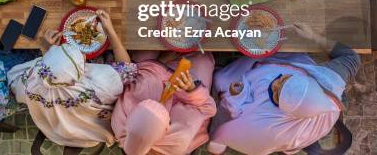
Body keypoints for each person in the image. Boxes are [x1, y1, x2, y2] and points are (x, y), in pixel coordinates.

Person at [208, 23, 360, 155]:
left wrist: (237, 95)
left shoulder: (263, 127)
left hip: (261, 125)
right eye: (285, 79)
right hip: (285, 64)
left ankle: (219, 142)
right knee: (281, 47)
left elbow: (235, 114)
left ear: (285, 111)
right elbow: (350, 57)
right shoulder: (328, 81)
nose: (274, 84)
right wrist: (314, 36)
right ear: (309, 80)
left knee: (220, 82)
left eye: (276, 94)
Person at [7, 10, 136, 148]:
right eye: (82, 58)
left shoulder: (30, 80)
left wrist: (46, 50)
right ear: (77, 77)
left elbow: (18, 88)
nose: (84, 56)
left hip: (57, 131)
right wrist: (110, 30)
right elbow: (128, 71)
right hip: (89, 133)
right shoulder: (98, 87)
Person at [112, 51, 216, 155]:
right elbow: (205, 107)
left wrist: (160, 61)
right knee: (201, 58)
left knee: (143, 51)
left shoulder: (120, 128)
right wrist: (192, 89)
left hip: (148, 68)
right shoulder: (182, 138)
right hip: (185, 81)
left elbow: (129, 78)